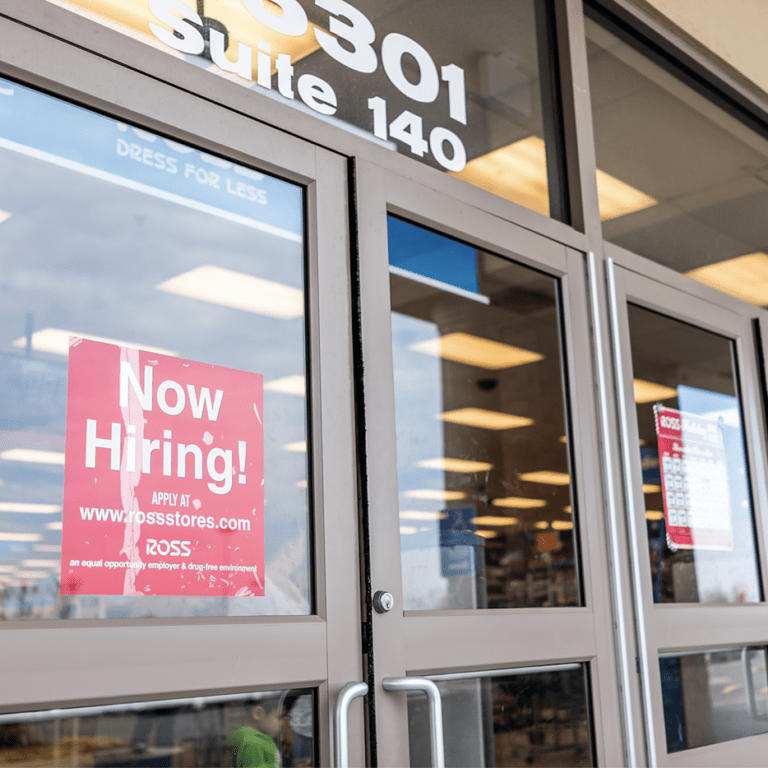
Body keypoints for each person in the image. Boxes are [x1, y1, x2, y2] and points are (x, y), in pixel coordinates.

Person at [227, 695, 283, 768]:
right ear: (258, 713)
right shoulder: (253, 743)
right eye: (278, 717)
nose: (282, 723)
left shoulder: (255, 739)